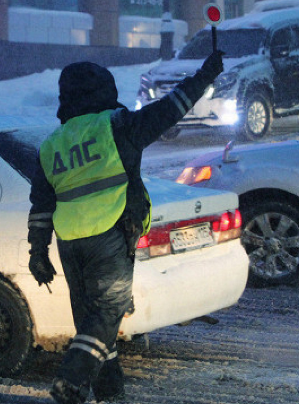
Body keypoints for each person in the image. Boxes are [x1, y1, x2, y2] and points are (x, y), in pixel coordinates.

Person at [27, 50, 224, 404]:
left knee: (94, 325)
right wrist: (205, 74)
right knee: (105, 316)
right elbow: (170, 109)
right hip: (110, 236)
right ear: (103, 92)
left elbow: (41, 206)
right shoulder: (116, 126)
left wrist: (38, 253)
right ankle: (71, 380)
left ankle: (110, 395)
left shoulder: (52, 145)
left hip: (69, 242)